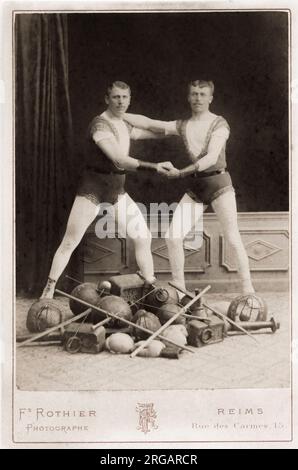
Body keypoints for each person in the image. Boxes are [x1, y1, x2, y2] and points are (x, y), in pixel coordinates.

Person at [40, 81, 174, 299]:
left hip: (116, 191)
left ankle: (150, 285)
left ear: (130, 100)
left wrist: (179, 130)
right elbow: (119, 159)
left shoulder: (125, 124)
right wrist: (155, 166)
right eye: (116, 97)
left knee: (142, 236)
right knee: (70, 241)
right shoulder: (99, 125)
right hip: (92, 191)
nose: (120, 101)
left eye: (124, 97)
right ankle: (48, 289)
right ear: (107, 99)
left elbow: (154, 131)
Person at [124, 80, 255, 294]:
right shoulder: (183, 125)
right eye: (194, 94)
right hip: (197, 187)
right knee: (173, 236)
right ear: (188, 97)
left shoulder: (220, 123)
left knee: (232, 237)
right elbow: (149, 123)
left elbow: (212, 157)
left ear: (211, 98)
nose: (198, 98)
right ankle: (180, 288)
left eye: (203, 94)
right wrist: (117, 114)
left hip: (219, 183)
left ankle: (248, 290)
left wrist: (181, 172)